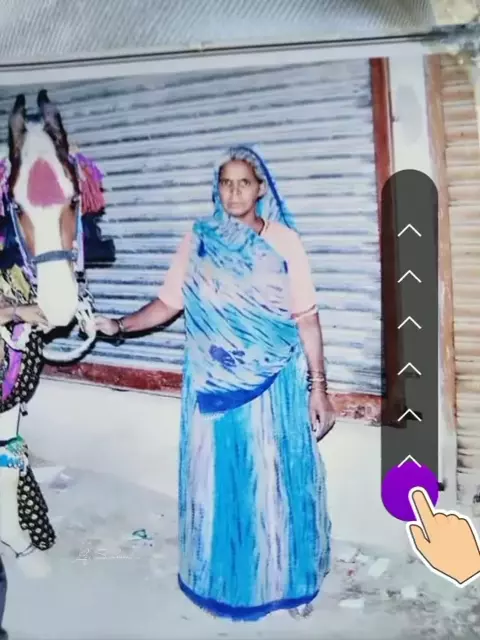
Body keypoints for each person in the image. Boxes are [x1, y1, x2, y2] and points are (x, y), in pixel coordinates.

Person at [95, 145, 335, 621]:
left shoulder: (284, 242)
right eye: (226, 182)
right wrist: (119, 325)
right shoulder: (200, 241)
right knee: (219, 485)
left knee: (277, 487)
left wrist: (319, 388)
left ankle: (289, 585)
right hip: (212, 388)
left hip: (272, 387)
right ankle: (221, 582)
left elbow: (306, 318)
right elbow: (168, 304)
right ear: (217, 189)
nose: (234, 192)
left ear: (260, 189)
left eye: (244, 182)